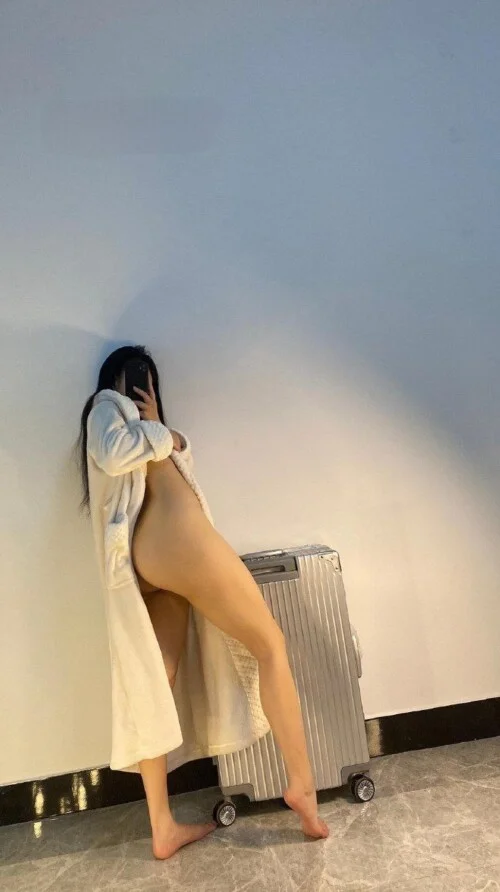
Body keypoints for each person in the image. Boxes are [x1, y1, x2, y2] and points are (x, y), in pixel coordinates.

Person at [76, 344, 329, 860]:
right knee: (271, 644)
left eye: (149, 380)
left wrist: (164, 431)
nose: (145, 387)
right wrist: (163, 432)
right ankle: (302, 785)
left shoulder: (144, 428)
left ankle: (162, 827)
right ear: (120, 378)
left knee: (157, 679)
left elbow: (172, 460)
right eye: (138, 377)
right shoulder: (107, 406)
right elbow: (114, 451)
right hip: (176, 543)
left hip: (161, 560)